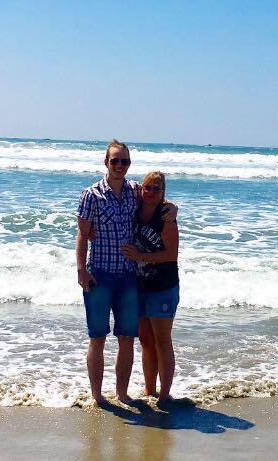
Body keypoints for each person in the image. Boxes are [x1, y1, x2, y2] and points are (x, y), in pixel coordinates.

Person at [75, 140, 176, 405]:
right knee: (97, 338)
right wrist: (81, 269)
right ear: (106, 162)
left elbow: (156, 197)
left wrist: (173, 207)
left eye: (124, 161)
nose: (120, 165)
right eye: (115, 160)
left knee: (127, 339)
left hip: (129, 278)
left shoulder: (134, 191)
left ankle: (122, 394)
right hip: (99, 276)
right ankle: (97, 397)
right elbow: (82, 234)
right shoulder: (91, 194)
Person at [121, 171, 180, 404]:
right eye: (148, 187)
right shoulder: (135, 210)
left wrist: (141, 256)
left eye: (157, 188)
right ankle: (149, 389)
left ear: (163, 192)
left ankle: (164, 395)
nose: (151, 192)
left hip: (162, 286)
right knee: (145, 341)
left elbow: (171, 255)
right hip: (139, 286)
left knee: (162, 341)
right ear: (141, 189)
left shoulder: (166, 215)